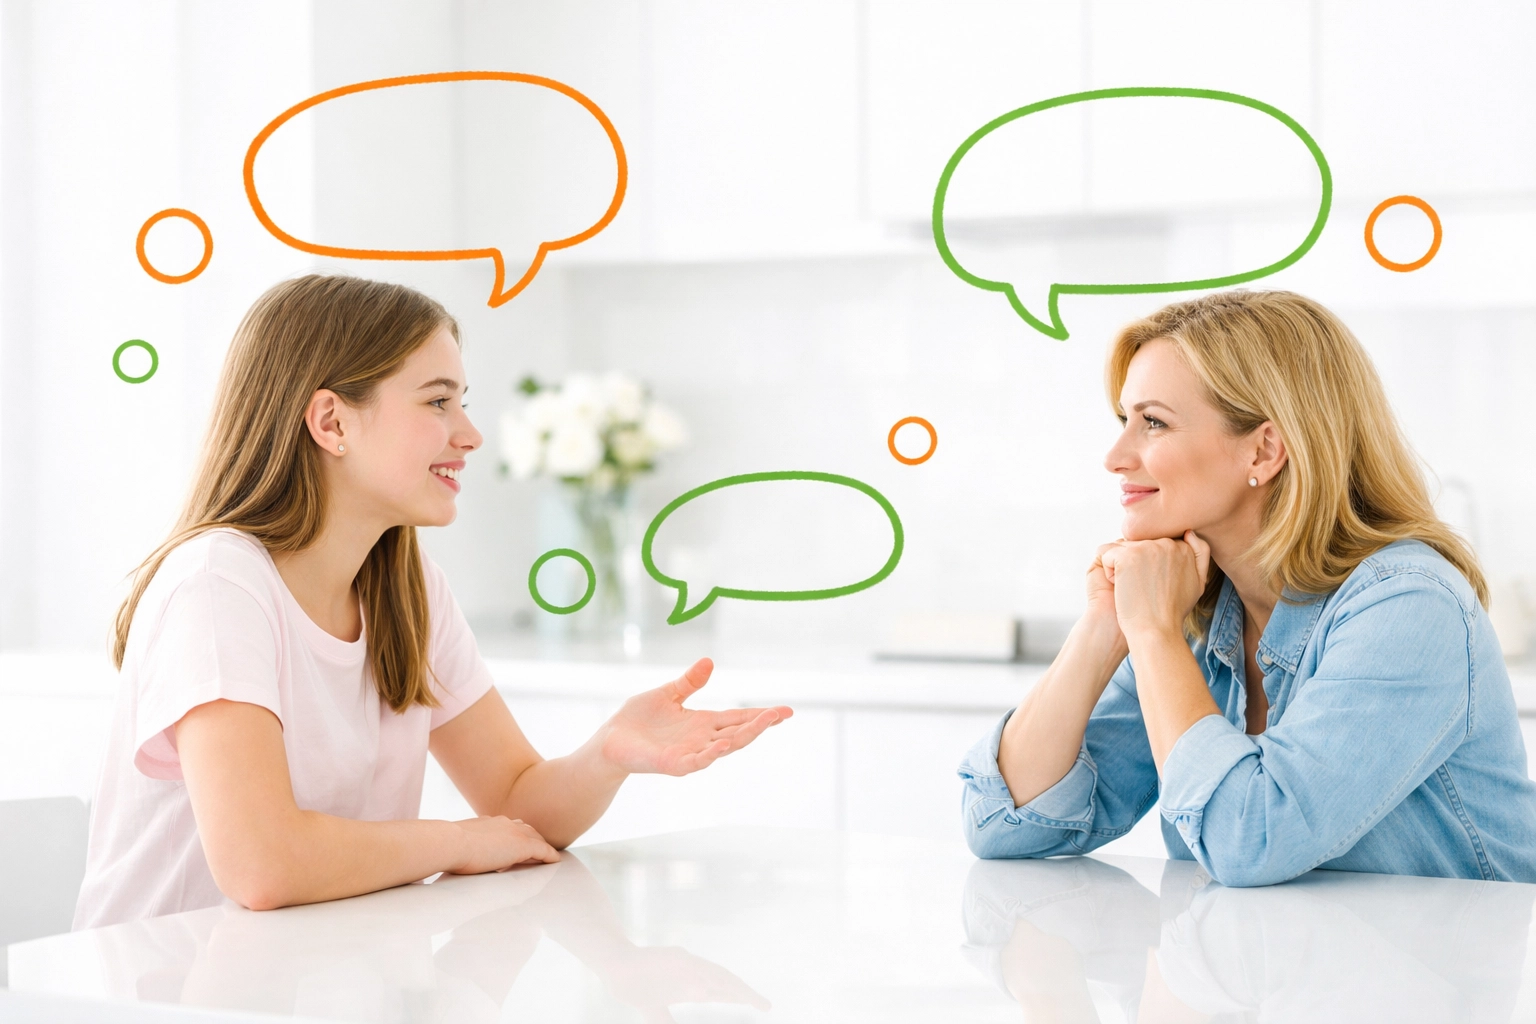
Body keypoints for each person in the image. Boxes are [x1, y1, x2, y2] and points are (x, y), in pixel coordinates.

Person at [74, 274, 792, 928]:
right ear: (332, 423)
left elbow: (515, 803)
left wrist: (607, 754)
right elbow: (263, 865)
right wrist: (457, 843)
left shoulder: (408, 590)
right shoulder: (217, 584)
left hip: (305, 986)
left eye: (461, 403)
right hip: (156, 995)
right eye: (438, 401)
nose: (470, 434)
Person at [958, 289, 1536, 885]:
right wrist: (1106, 624)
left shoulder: (1409, 606)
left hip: (1442, 970)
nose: (1115, 456)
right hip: (1281, 970)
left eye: (1152, 422)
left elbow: (1251, 838)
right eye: (1124, 420)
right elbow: (1003, 823)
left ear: (1264, 448)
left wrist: (1152, 634)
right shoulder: (1194, 614)